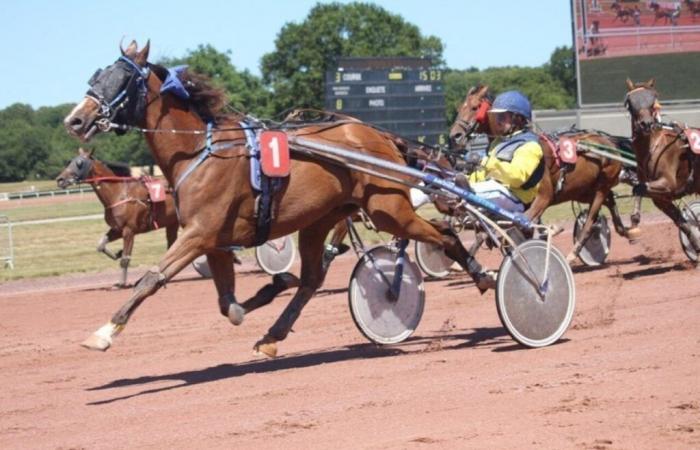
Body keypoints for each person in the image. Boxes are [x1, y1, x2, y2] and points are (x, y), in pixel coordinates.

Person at [464, 90, 544, 214]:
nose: (497, 121)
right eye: (496, 117)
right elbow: (486, 173)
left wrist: (483, 161)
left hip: (516, 197)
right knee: (456, 186)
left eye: (502, 116)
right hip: (495, 191)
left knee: (490, 188)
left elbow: (516, 177)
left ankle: (466, 191)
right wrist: (469, 178)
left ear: (517, 119)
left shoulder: (530, 145)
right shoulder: (498, 142)